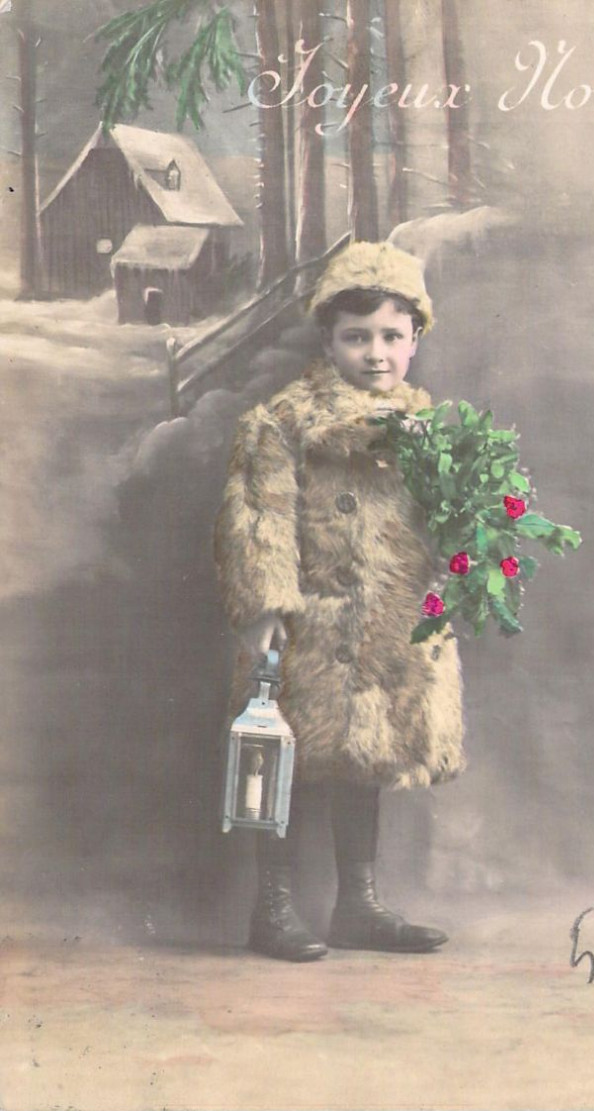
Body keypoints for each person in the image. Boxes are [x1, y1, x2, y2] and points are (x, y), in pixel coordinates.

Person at [214, 241, 465, 962]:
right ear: (327, 341)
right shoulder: (283, 422)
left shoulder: (429, 433)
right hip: (309, 625)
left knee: (366, 758)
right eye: (357, 337)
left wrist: (453, 572)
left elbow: (447, 521)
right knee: (285, 762)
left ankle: (358, 904)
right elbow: (256, 516)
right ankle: (274, 908)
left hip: (389, 626)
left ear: (415, 341)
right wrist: (264, 611)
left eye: (392, 336)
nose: (375, 352)